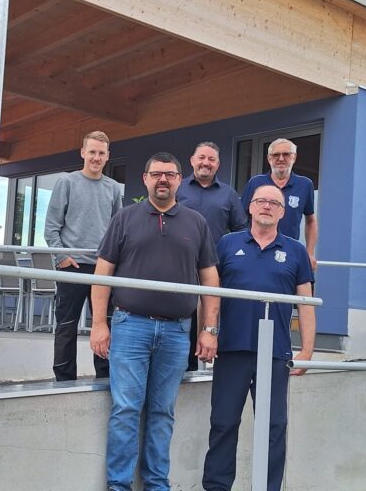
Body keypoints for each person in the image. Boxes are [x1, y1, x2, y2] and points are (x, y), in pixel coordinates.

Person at [90, 152, 220, 491]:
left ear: (179, 180)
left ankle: (157, 484)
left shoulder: (196, 223)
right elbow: (102, 274)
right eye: (157, 174)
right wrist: (99, 324)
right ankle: (118, 485)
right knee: (126, 410)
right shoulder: (125, 218)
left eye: (170, 174)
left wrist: (209, 330)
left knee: (163, 412)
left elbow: (210, 280)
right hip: (130, 327)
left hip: (177, 332)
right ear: (145, 179)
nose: (163, 179)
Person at [202, 184, 316, 491]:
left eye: (274, 203)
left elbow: (306, 303)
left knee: (273, 427)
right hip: (232, 348)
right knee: (223, 423)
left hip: (275, 353)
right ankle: (216, 487)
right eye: (261, 201)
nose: (266, 206)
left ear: (282, 212)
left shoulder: (295, 251)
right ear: (250, 208)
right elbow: (210, 294)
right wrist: (208, 331)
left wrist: (307, 350)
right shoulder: (227, 244)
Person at [44, 130, 123, 381]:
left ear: (107, 156)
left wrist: (115, 262)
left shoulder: (113, 188)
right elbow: (51, 226)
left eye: (101, 153)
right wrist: (62, 258)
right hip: (73, 266)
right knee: (67, 325)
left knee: (106, 324)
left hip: (103, 268)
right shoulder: (67, 182)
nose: (96, 157)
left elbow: (117, 229)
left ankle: (105, 377)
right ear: (83, 153)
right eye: (92, 152)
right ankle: (64, 379)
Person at [177, 141, 245, 371]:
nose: (206, 163)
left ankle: (216, 364)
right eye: (202, 158)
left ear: (218, 164)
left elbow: (240, 230)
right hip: (180, 265)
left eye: (211, 159)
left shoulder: (229, 194)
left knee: (213, 314)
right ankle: (186, 368)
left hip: (214, 267)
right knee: (184, 315)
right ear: (192, 160)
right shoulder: (178, 188)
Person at [240, 138, 318, 270]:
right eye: (276, 155)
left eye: (286, 154)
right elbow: (241, 218)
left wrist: (309, 253)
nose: (281, 159)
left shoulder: (305, 185)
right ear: (269, 158)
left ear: (294, 157)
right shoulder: (255, 183)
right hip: (255, 251)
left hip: (288, 253)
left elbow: (310, 221)